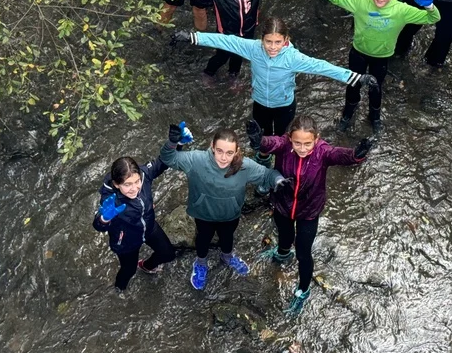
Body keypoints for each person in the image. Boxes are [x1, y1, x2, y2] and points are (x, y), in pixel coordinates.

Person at [174, 17, 377, 142]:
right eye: (268, 42)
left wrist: (356, 78)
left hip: (284, 107)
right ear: (261, 39)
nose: (272, 47)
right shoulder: (253, 48)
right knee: (261, 138)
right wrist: (193, 37)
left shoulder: (293, 58)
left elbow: (322, 66)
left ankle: (278, 168)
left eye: (277, 42)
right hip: (260, 104)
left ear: (286, 40)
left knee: (280, 139)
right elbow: (227, 41)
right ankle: (263, 163)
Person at [248, 116, 372, 315]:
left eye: (308, 143)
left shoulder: (323, 152)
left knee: (303, 253)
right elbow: (269, 143)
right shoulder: (283, 145)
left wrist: (356, 154)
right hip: (282, 204)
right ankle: (282, 253)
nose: (302, 148)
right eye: (297, 143)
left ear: (317, 139)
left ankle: (303, 290)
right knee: (284, 235)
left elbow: (340, 155)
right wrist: (258, 140)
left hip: (309, 211)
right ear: (290, 138)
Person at [159, 124, 284, 291]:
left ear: (237, 151)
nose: (224, 158)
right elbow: (168, 158)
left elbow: (268, 175)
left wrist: (278, 180)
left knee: (227, 237)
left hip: (230, 215)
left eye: (229, 153)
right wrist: (173, 142)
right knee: (203, 238)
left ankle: (228, 256)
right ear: (212, 146)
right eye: (219, 151)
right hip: (203, 214)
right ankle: (201, 263)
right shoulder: (196, 160)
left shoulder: (245, 166)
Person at [325, 0, 440, 133]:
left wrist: (429, 6)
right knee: (353, 84)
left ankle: (375, 117)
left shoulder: (401, 10)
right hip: (358, 52)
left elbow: (433, 18)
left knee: (376, 87)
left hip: (381, 57)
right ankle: (347, 114)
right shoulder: (360, 1)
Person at [92, 133, 190, 294]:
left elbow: (163, 161)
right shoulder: (110, 200)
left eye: (136, 182)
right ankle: (119, 289)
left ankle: (146, 266)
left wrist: (176, 143)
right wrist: (104, 218)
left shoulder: (144, 175)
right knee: (128, 270)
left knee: (168, 254)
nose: (134, 188)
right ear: (116, 184)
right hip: (126, 240)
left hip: (149, 226)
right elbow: (98, 225)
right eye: (127, 184)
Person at [187, 0, 296, 89]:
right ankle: (208, 73)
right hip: (226, 32)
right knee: (222, 56)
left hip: (248, 30)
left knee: (239, 55)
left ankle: (233, 76)